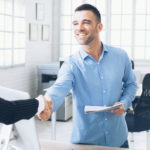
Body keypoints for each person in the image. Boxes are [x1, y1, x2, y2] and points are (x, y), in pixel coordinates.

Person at [45, 4, 137, 148]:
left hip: (118, 140)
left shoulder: (120, 56)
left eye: (86, 22)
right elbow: (59, 88)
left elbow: (131, 84)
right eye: (75, 23)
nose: (79, 28)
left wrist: (124, 103)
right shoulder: (71, 64)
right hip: (85, 143)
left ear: (99, 27)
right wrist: (47, 104)